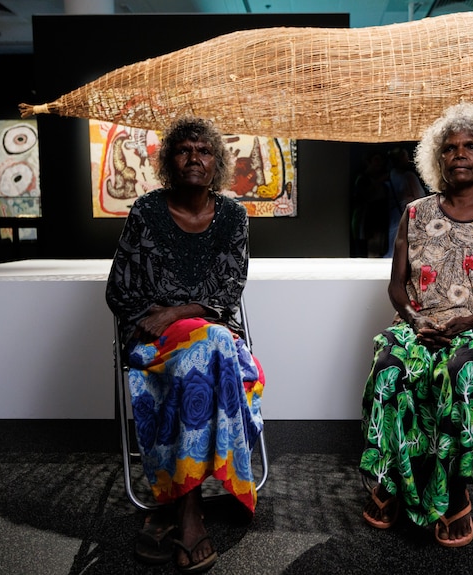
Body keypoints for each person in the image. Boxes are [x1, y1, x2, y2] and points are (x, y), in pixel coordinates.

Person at [359, 101, 473, 548]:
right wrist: (414, 320)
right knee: (392, 365)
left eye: (470, 146)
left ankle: (454, 492)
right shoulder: (416, 213)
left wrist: (465, 322)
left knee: (458, 372)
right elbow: (396, 286)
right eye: (450, 149)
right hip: (418, 323)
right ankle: (394, 480)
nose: (460, 155)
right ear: (438, 159)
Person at [105, 116, 264, 573]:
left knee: (210, 344)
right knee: (208, 350)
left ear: (218, 161)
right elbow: (120, 290)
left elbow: (227, 293)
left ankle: (175, 503)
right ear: (169, 161)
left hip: (209, 336)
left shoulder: (233, 216)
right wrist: (161, 321)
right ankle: (191, 513)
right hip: (155, 344)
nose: (194, 158)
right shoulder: (146, 212)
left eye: (204, 150)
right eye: (184, 150)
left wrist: (175, 311)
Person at [384, 146, 426, 257]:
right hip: (408, 216)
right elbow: (420, 198)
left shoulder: (390, 175)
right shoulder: (409, 176)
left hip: (394, 216)